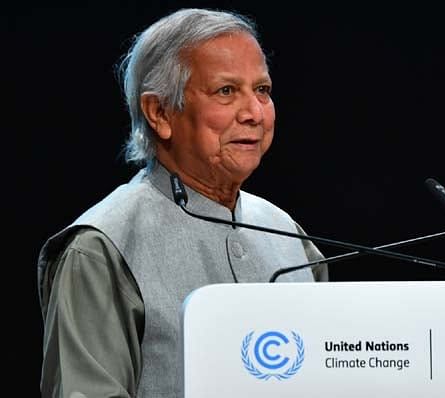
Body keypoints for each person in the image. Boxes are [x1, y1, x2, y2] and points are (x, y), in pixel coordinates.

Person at [37, 8, 328, 398]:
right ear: (159, 112)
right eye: (226, 91)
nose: (254, 113)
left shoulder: (288, 235)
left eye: (262, 90)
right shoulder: (100, 248)